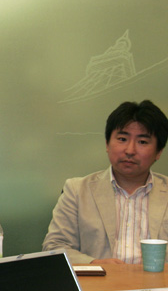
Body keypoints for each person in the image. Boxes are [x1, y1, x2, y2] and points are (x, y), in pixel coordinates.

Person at [43, 100, 168, 264]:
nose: (130, 150)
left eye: (142, 142)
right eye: (122, 139)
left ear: (159, 152)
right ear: (107, 144)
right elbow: (54, 246)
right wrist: (94, 264)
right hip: (97, 280)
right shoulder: (77, 190)